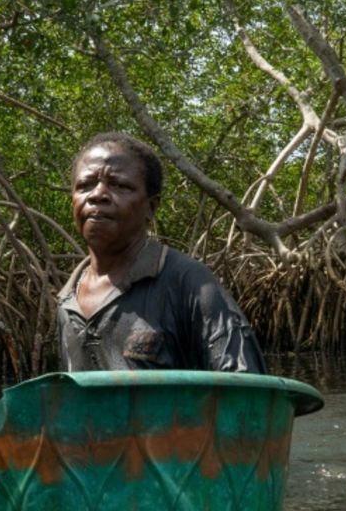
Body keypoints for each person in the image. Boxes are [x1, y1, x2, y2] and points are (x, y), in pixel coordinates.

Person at [56, 132, 266, 373]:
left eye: (119, 185)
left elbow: (249, 389)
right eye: (85, 185)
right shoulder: (66, 301)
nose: (98, 194)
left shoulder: (190, 284)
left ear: (151, 207)